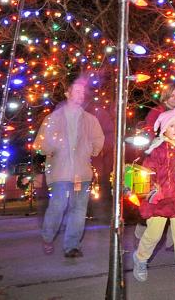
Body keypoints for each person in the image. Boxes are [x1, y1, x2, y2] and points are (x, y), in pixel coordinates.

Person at [34, 75, 105, 258]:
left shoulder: (90, 120)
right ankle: (48, 237)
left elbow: (99, 139)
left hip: (81, 174)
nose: (81, 95)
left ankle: (72, 246)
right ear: (68, 93)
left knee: (79, 209)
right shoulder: (53, 118)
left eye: (83, 92)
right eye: (77, 91)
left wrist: (92, 149)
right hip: (60, 173)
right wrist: (52, 147)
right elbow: (40, 144)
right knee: (58, 206)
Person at [132, 106, 175, 286]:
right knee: (154, 234)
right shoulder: (158, 149)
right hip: (161, 200)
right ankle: (140, 259)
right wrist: (152, 189)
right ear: (164, 129)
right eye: (172, 126)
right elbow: (148, 171)